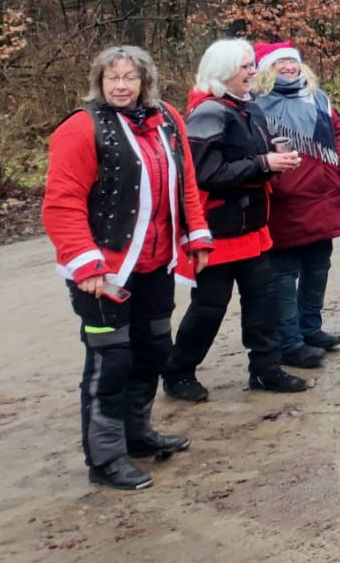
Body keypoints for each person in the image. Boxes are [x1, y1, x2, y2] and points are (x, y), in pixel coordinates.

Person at [43, 46, 213, 489]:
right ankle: (104, 457)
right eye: (111, 78)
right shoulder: (82, 128)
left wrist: (196, 233)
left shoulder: (169, 121)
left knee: (154, 349)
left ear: (145, 82)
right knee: (110, 362)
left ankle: (136, 435)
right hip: (101, 274)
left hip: (155, 265)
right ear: (99, 82)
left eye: (129, 78)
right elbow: (62, 203)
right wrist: (86, 265)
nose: (120, 86)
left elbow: (187, 181)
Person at [165, 38, 309, 397]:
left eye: (251, 65)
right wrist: (264, 163)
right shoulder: (208, 112)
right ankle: (178, 373)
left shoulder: (247, 107)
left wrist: (275, 158)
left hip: (252, 227)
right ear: (224, 71)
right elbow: (203, 173)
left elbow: (252, 158)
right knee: (209, 309)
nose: (253, 72)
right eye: (246, 67)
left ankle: (266, 369)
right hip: (219, 232)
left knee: (264, 302)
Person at [252, 41, 340, 369]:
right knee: (284, 273)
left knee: (318, 267)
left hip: (324, 197)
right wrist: (277, 182)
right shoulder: (257, 105)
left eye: (292, 62)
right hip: (284, 202)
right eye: (280, 63)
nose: (288, 68)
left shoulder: (318, 98)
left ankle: (310, 328)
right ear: (267, 68)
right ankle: (289, 341)